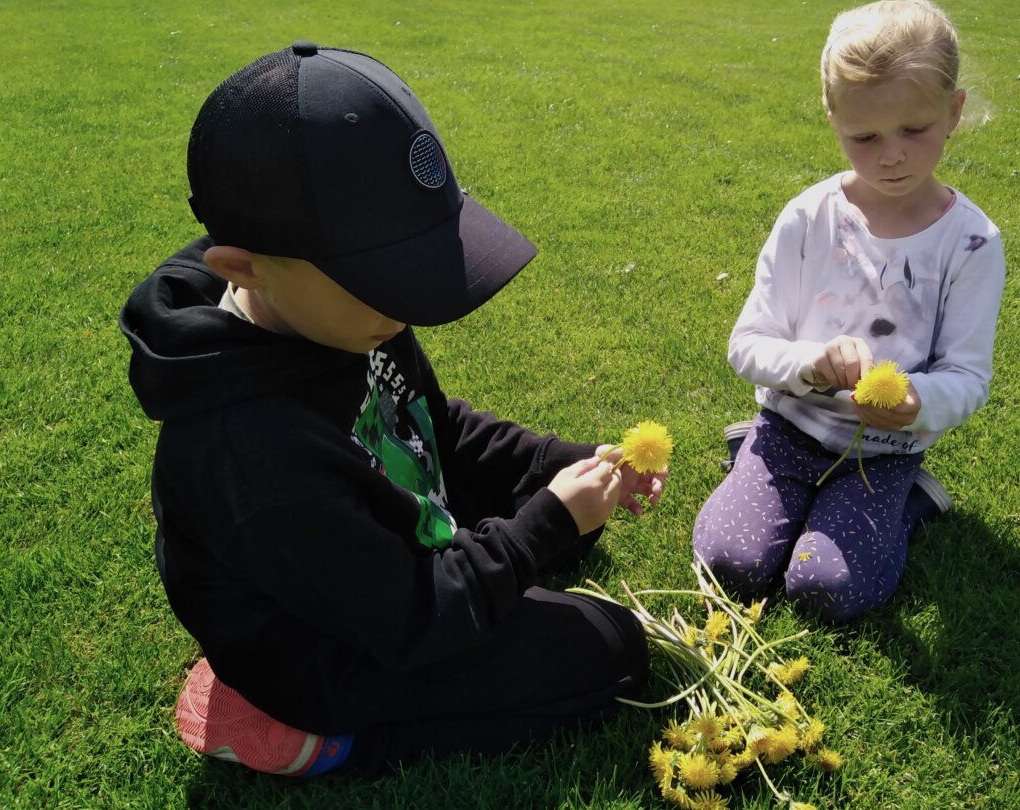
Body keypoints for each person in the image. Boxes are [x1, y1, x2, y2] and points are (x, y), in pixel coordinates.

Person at [119, 42, 664, 778]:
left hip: (372, 561)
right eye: (383, 278)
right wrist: (544, 523)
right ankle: (304, 737)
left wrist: (555, 467)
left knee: (571, 534)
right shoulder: (251, 452)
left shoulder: (340, 313)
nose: (411, 304)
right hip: (331, 655)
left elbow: (434, 425)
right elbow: (415, 619)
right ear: (245, 268)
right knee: (611, 649)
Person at [693, 0, 1004, 622]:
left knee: (824, 588)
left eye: (914, 129)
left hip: (883, 452)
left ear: (954, 111)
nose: (892, 155)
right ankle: (751, 453)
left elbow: (968, 377)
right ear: (834, 122)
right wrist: (810, 363)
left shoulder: (971, 243)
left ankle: (909, 499)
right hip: (788, 428)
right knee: (731, 563)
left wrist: (916, 402)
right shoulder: (809, 219)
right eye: (866, 137)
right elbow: (747, 343)